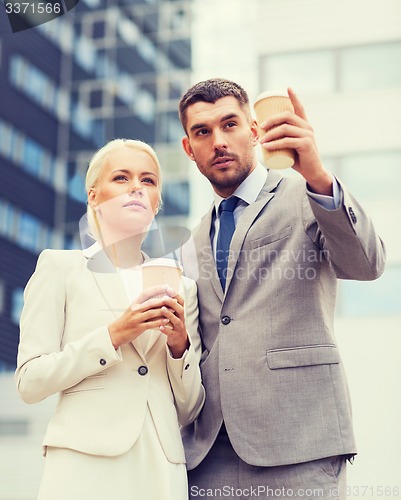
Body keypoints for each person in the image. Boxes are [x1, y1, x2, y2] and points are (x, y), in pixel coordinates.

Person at [177, 78, 385, 499]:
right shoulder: (193, 239)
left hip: (299, 441)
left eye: (230, 124)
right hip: (208, 454)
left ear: (254, 130)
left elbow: (366, 264)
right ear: (189, 148)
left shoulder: (308, 195)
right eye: (203, 131)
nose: (218, 140)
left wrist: (318, 175)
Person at [15, 139, 205, 500]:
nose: (136, 187)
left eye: (148, 181)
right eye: (121, 177)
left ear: (156, 204)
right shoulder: (61, 268)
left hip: (161, 466)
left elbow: (190, 407)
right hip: (84, 461)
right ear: (93, 197)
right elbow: (29, 381)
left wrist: (180, 346)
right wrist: (114, 334)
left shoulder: (183, 287)